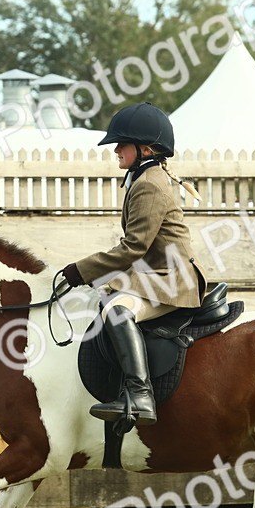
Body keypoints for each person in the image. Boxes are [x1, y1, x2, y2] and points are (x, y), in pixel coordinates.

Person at [58, 103, 205, 427]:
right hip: (155, 274)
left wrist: (81, 270)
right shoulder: (143, 178)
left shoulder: (149, 184)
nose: (115, 150)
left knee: (117, 311)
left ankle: (139, 395)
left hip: (172, 278)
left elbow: (134, 247)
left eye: (122, 144)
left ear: (146, 149)